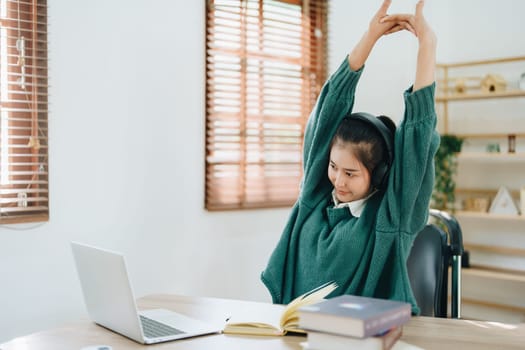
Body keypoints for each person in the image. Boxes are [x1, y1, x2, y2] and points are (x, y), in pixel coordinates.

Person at [260, 0, 439, 315]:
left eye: (351, 174)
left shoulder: (389, 217)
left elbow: (417, 138)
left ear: (379, 173)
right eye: (333, 167)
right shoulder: (315, 199)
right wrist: (369, 38)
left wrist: (428, 43)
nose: (338, 181)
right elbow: (329, 108)